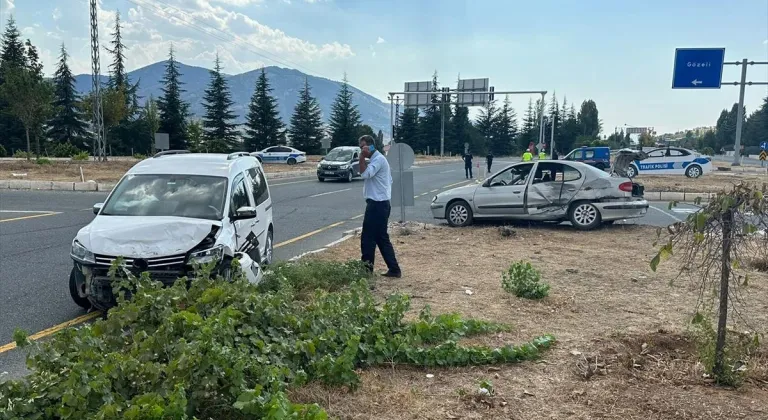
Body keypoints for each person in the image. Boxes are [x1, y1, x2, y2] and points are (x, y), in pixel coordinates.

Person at [358, 135, 401, 278]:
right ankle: (394, 269)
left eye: (362, 146)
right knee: (381, 238)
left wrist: (361, 158)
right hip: (382, 204)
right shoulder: (380, 159)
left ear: (370, 146)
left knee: (367, 238)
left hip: (377, 205)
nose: (361, 149)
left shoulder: (378, 160)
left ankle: (366, 271)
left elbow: (365, 174)